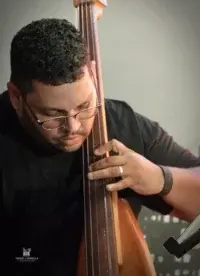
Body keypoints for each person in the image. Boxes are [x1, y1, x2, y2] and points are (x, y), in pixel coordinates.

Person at [0, 18, 200, 275]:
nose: (73, 127)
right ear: (17, 97)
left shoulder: (123, 124)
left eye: (84, 107)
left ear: (93, 75)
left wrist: (160, 178)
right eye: (53, 115)